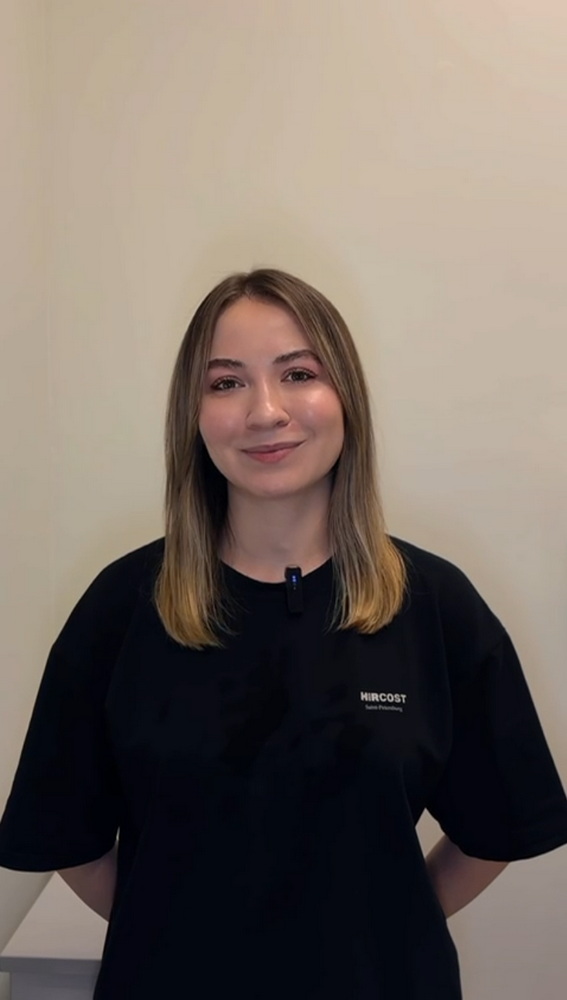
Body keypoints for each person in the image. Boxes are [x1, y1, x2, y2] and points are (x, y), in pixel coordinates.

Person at [0, 268, 566, 1000]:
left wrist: (385, 925)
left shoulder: (436, 605)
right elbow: (64, 835)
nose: (265, 411)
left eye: (298, 373)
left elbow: (499, 826)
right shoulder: (121, 607)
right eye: (226, 382)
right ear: (193, 414)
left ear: (345, 396)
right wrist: (187, 939)